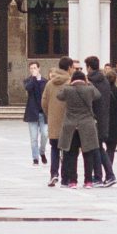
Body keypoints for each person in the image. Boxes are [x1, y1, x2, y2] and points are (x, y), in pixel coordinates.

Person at [55, 67, 101, 188]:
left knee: (71, 154)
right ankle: (88, 181)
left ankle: (72, 181)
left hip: (71, 125)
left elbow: (59, 96)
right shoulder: (89, 89)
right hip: (87, 125)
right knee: (88, 154)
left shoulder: (67, 89)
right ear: (84, 79)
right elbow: (98, 95)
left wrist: (69, 84)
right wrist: (89, 82)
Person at [86, 56, 117, 187]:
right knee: (98, 148)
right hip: (104, 117)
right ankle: (101, 176)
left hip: (95, 118)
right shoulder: (103, 80)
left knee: (98, 148)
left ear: (89, 67)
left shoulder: (92, 81)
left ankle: (107, 175)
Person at [46, 57, 72, 185]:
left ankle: (53, 174)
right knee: (67, 150)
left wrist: (50, 114)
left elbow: (44, 102)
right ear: (69, 68)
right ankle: (65, 178)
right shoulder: (70, 83)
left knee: (54, 149)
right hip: (68, 122)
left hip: (53, 122)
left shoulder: (50, 83)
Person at [22, 63, 48, 165]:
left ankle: (42, 152)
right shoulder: (28, 81)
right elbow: (28, 88)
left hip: (43, 113)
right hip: (32, 113)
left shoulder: (45, 81)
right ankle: (35, 158)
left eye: (35, 68)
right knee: (33, 138)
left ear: (39, 68)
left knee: (45, 134)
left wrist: (38, 79)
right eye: (31, 68)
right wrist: (33, 78)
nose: (33, 70)